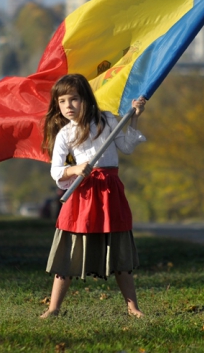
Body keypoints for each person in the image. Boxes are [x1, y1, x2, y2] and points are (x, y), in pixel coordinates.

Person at [39, 73, 147, 318]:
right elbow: (56, 172)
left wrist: (134, 118)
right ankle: (54, 308)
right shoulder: (65, 134)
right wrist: (76, 168)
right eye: (62, 101)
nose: (68, 106)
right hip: (83, 195)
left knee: (118, 249)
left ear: (86, 98)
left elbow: (128, 146)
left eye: (74, 99)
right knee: (69, 250)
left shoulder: (107, 121)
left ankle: (133, 308)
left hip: (109, 192)